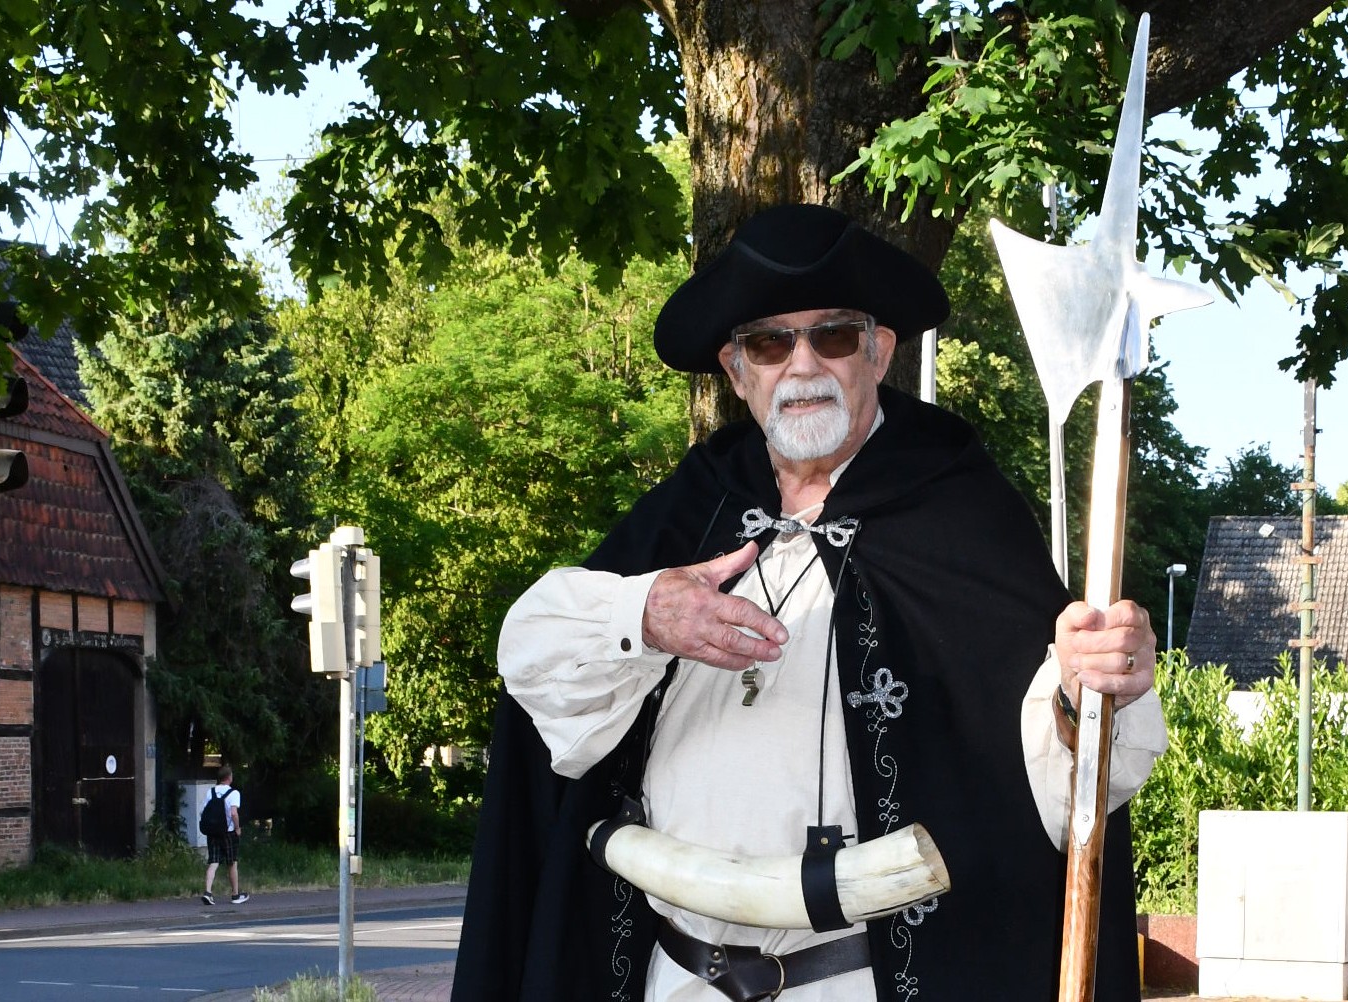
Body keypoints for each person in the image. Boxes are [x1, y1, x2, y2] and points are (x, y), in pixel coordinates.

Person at [452, 203, 1167, 1002]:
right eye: (768, 342)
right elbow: (535, 669)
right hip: (675, 976)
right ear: (735, 371)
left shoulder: (957, 514)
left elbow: (1062, 790)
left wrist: (1083, 691)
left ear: (877, 351)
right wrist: (644, 616)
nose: (801, 366)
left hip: (861, 982)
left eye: (831, 336)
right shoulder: (690, 510)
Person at [201, 766, 249, 906]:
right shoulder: (234, 793)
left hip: (213, 832)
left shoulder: (211, 792)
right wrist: (237, 828)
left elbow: (204, 811)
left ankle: (208, 893)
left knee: (213, 862)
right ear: (229, 777)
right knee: (232, 862)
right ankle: (235, 894)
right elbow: (234, 813)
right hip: (228, 832)